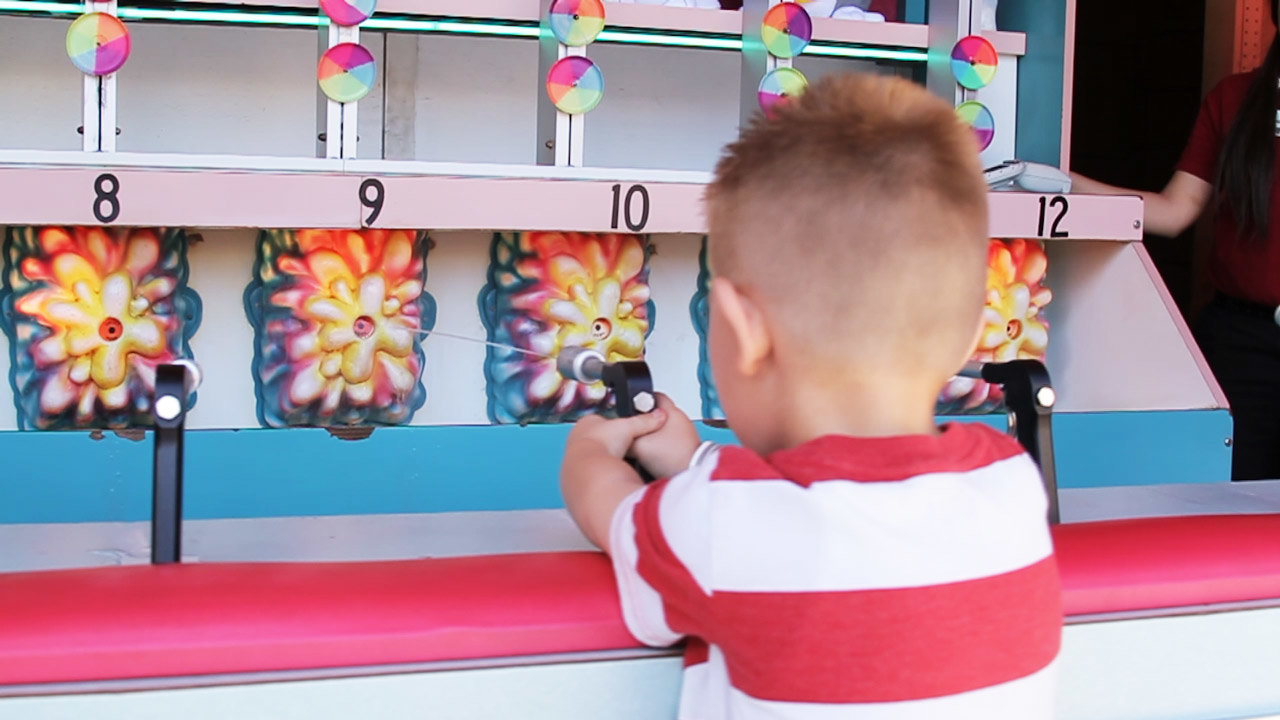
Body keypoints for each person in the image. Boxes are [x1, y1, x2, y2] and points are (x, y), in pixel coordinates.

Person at [560, 73, 1062, 719]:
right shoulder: (1010, 483)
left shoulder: (719, 521)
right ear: (970, 335)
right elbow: (839, 506)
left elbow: (611, 509)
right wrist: (692, 463)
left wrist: (590, 450)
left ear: (743, 330)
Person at [1070, 1, 1280, 481]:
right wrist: (1059, 182)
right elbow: (1172, 211)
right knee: (1228, 499)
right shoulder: (1235, 99)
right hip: (1241, 341)